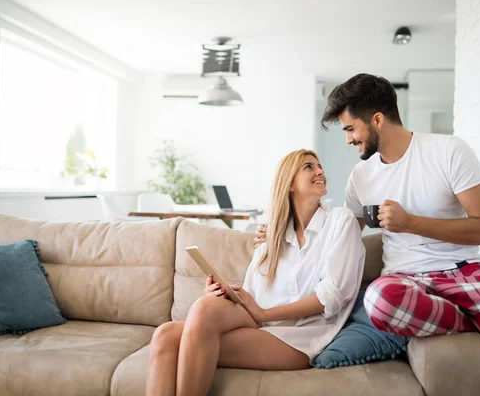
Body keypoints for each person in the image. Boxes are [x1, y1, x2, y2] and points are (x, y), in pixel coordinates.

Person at [255, 74, 480, 396]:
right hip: (405, 281)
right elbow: (337, 234)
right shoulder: (362, 176)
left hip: (464, 270)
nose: (348, 139)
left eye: (350, 128)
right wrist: (280, 233)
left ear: (377, 119)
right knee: (379, 300)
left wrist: (412, 223)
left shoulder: (448, 151)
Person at [146, 149, 365, 396]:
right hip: (261, 323)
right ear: (289, 184)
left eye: (319, 165)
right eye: (308, 167)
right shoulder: (272, 235)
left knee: (190, 330)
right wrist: (219, 295)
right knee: (167, 332)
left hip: (299, 338)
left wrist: (264, 312)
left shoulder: (341, 222)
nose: (320, 171)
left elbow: (331, 297)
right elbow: (252, 293)